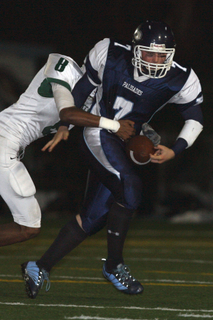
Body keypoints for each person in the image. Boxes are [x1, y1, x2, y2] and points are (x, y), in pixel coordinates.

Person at [21, 20, 203, 298]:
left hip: (123, 141)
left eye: (161, 55)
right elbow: (82, 90)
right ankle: (114, 265)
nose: (155, 60)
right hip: (97, 130)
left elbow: (195, 118)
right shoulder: (110, 53)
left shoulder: (181, 77)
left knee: (93, 218)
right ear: (135, 50)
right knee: (130, 189)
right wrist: (65, 125)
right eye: (149, 53)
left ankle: (39, 266)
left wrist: (175, 149)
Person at [0, 53, 134, 247]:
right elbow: (68, 113)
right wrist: (115, 125)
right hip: (4, 142)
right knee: (27, 226)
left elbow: (109, 123)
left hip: (8, 146)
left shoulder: (92, 99)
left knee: (28, 227)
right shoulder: (66, 70)